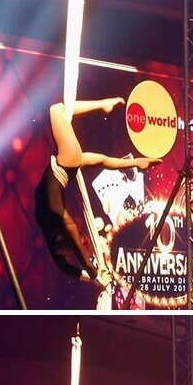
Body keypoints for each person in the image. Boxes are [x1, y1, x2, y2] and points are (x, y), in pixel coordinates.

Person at [35, 99, 162, 280]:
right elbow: (66, 257)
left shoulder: (54, 217)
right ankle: (104, 107)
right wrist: (91, 271)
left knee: (102, 159)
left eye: (70, 250)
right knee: (56, 110)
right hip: (66, 161)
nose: (67, 255)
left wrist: (87, 268)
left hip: (66, 165)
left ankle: (105, 107)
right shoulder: (52, 224)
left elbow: (64, 263)